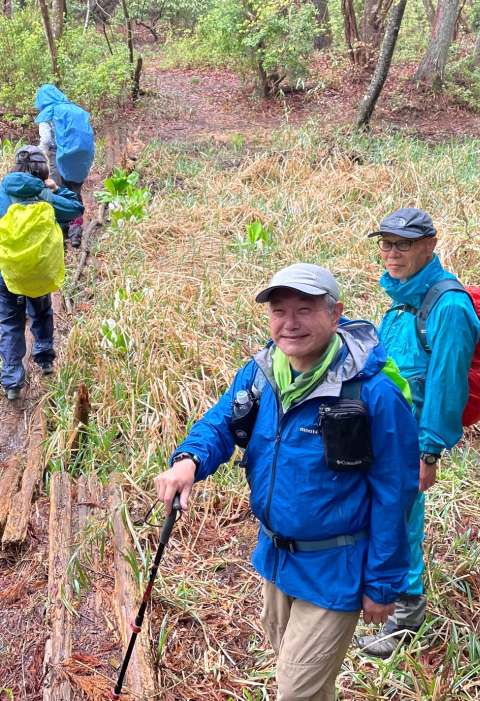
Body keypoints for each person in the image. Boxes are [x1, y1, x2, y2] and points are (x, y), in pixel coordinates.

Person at [154, 263, 419, 701]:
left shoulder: (371, 394)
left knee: (295, 692)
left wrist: (384, 584)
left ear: (336, 315)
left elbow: (395, 493)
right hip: (276, 559)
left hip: (337, 568)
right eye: (279, 311)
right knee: (302, 682)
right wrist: (188, 460)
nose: (289, 324)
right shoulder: (263, 373)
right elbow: (221, 423)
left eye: (304, 310)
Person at [356, 208, 480, 659]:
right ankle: (379, 596)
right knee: (383, 516)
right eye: (385, 244)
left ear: (430, 245)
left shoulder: (447, 306)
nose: (391, 253)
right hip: (383, 433)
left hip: (410, 443)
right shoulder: (403, 295)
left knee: (401, 523)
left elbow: (448, 387)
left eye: (402, 244)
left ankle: (404, 619)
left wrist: (428, 454)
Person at [0, 146, 83, 399]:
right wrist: (58, 189)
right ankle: (44, 359)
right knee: (42, 310)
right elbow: (77, 209)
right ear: (43, 171)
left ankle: (12, 381)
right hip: (40, 271)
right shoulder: (47, 195)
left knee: (11, 323)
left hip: (8, 272)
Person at [35, 84, 95, 248]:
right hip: (81, 156)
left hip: (59, 156)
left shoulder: (47, 115)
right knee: (75, 192)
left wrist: (37, 156)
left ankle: (61, 232)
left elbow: (46, 140)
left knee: (57, 192)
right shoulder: (76, 110)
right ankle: (76, 233)